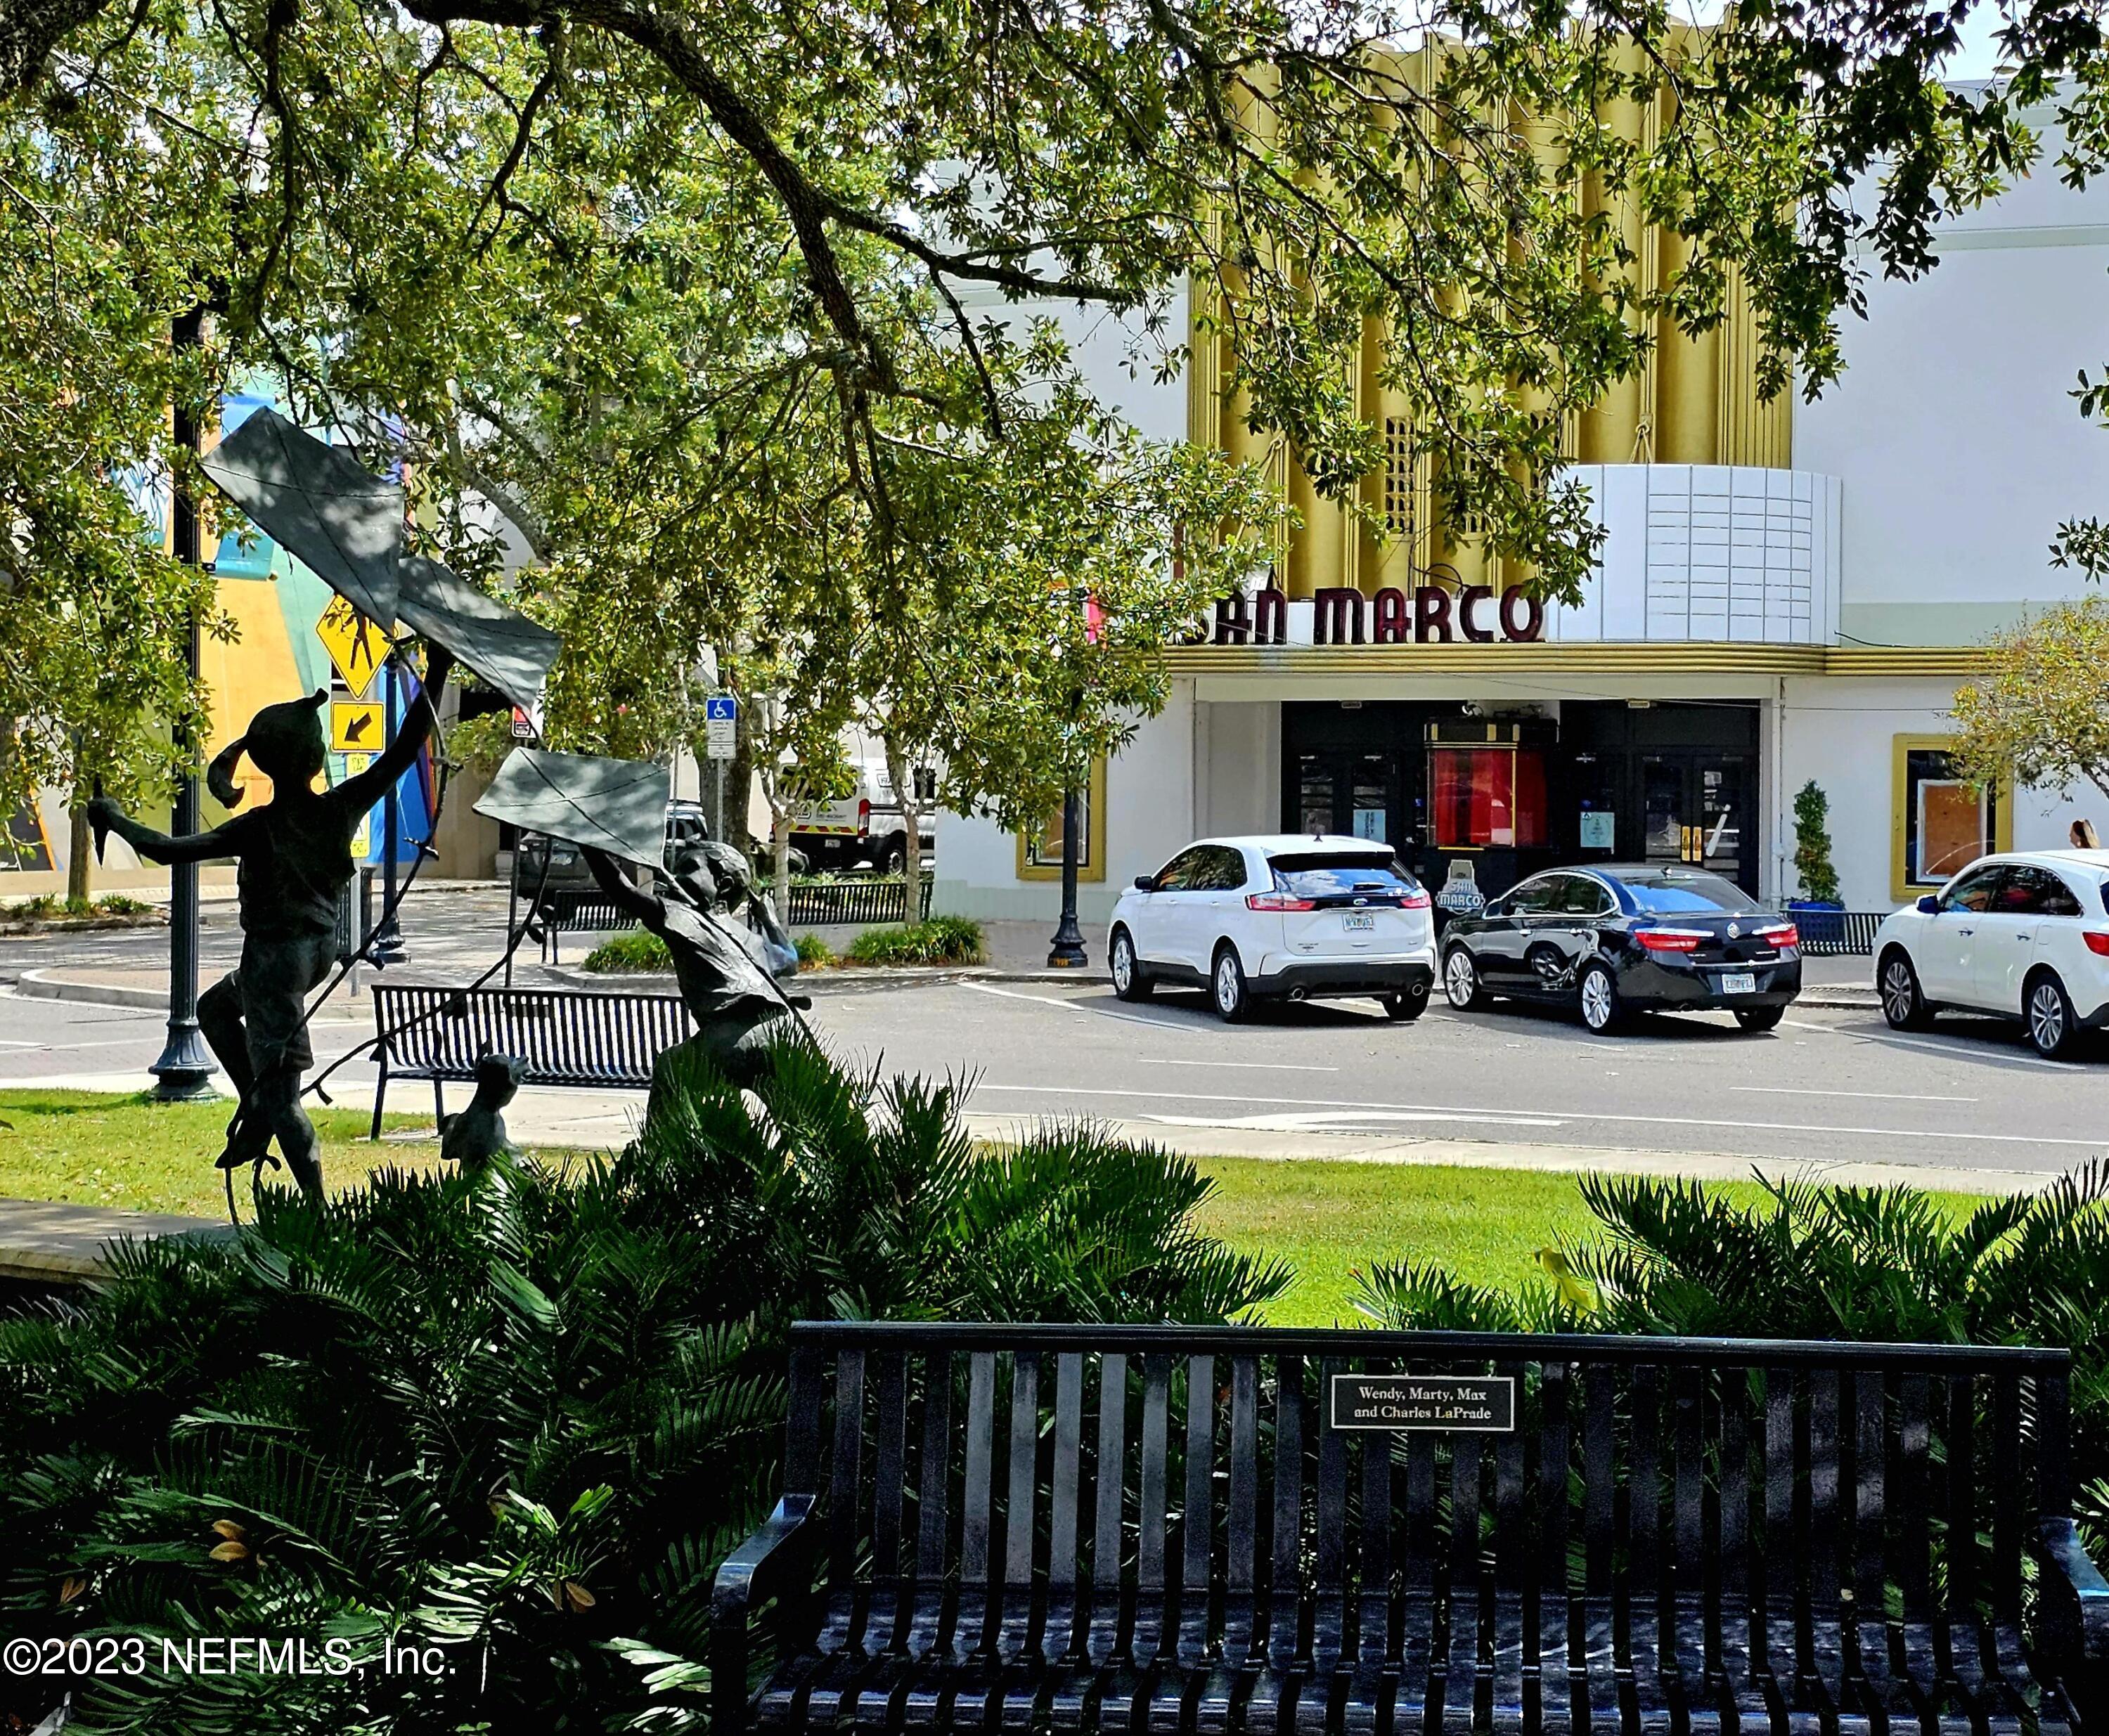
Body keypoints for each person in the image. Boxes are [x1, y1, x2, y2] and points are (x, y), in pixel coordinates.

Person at [89, 646, 454, 1196]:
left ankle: (314, 1208)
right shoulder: (339, 806)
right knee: (214, 1008)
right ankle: (255, 1103)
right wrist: (439, 672)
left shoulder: (256, 826)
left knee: (285, 1102)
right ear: (312, 759)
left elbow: (165, 850)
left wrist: (115, 817)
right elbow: (404, 749)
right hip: (316, 951)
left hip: (273, 964)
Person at [580, 841, 805, 1090]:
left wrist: (588, 843)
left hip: (729, 1037)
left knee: (671, 1068)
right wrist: (769, 919)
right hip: (780, 1033)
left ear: (723, 885)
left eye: (689, 868)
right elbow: (788, 958)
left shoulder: (682, 917)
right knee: (796, 1121)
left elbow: (622, 889)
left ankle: (666, 1131)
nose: (676, 877)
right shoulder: (751, 940)